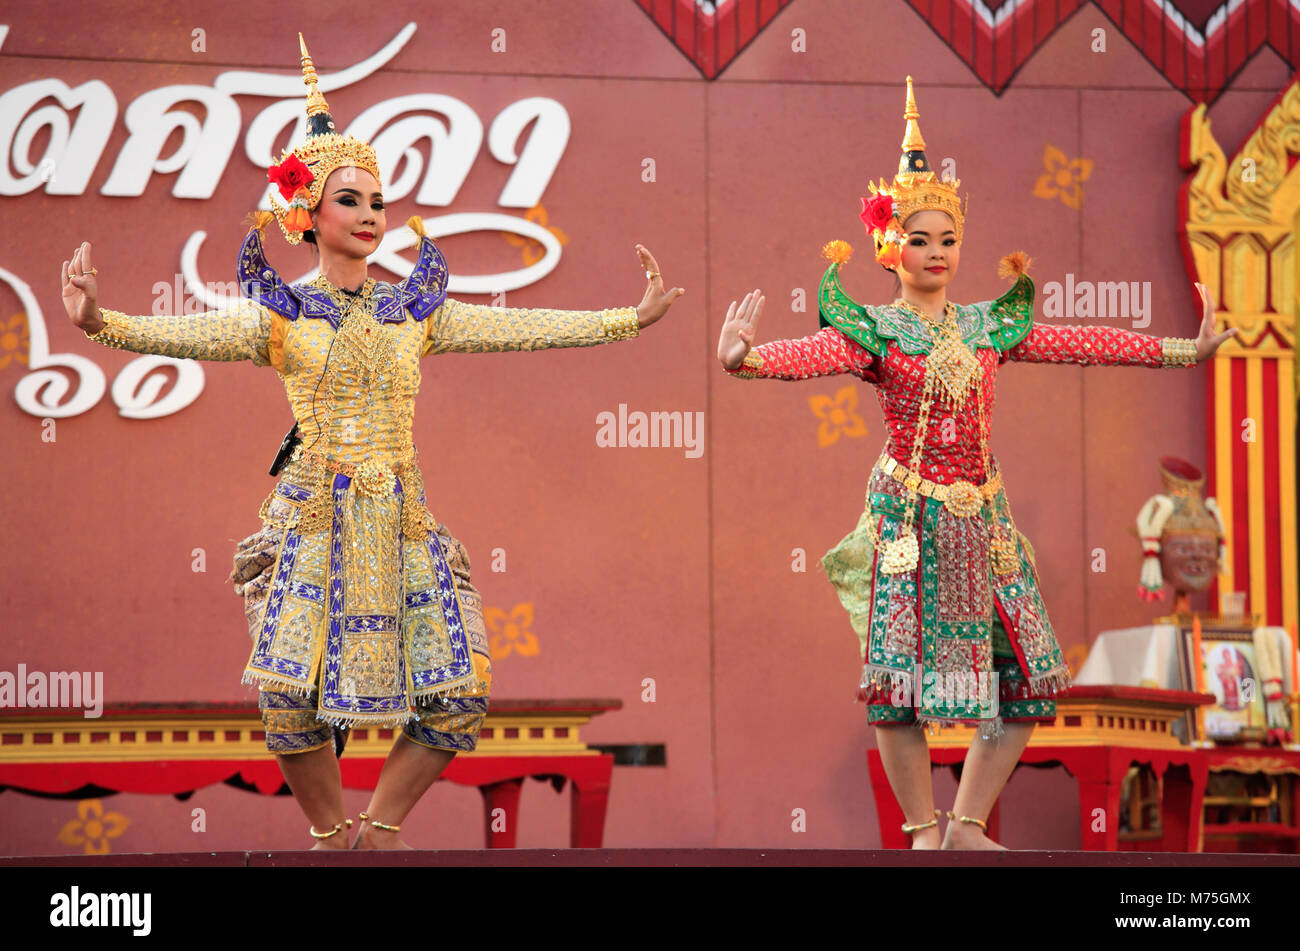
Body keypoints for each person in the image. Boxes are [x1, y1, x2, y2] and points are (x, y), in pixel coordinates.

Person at [62, 36, 683, 850]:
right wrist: (99, 323)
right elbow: (190, 334)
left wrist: (623, 321)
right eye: (350, 201)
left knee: (457, 698)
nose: (370, 217)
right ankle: (332, 839)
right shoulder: (279, 315)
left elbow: (520, 325)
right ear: (307, 215)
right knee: (288, 699)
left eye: (378, 203)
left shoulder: (415, 311)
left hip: (401, 523)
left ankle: (380, 832)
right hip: (314, 520)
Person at [716, 76, 1235, 850]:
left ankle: (965, 825)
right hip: (909, 523)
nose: (936, 254)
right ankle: (923, 830)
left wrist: (1181, 351)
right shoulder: (876, 328)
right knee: (899, 691)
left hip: (985, 520)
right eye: (919, 239)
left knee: (1024, 683)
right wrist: (749, 361)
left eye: (948, 239)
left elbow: (1082, 342)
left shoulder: (990, 324)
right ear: (888, 245)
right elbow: (815, 352)